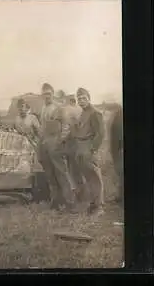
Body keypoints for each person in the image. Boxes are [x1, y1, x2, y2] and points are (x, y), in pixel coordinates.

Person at [37, 83, 77, 212]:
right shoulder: (43, 108)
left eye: (49, 93)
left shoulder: (58, 108)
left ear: (53, 94)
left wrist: (60, 141)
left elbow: (66, 126)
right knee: (49, 173)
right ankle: (56, 201)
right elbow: (42, 127)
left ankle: (70, 202)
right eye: (44, 94)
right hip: (44, 143)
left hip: (55, 143)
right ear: (42, 95)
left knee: (61, 173)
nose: (47, 96)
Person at [71, 87, 105, 217]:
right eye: (79, 98)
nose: (81, 100)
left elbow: (100, 134)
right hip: (80, 147)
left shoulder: (95, 112)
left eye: (84, 98)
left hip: (89, 147)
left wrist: (92, 149)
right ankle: (93, 204)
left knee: (95, 177)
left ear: (89, 98)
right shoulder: (83, 113)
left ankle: (99, 207)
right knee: (88, 178)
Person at [109, 104, 123, 204]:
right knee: (119, 172)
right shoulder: (118, 114)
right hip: (116, 147)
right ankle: (120, 195)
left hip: (120, 147)